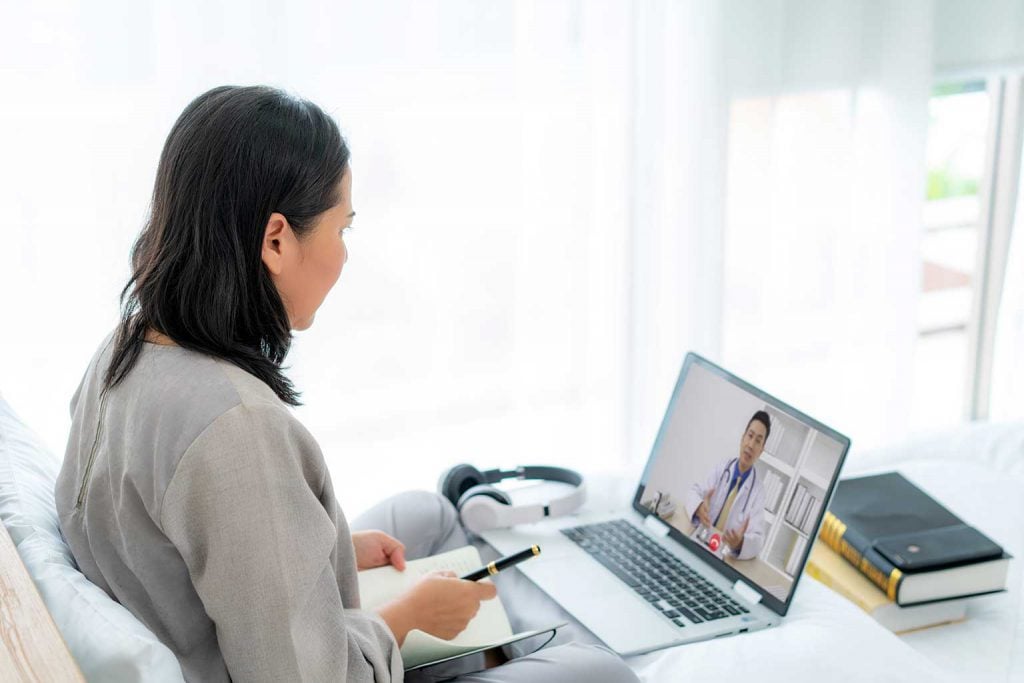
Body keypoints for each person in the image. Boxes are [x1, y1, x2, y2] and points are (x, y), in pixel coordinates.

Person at [54, 85, 638, 683]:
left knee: (428, 516)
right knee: (600, 669)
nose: (343, 256)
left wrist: (326, 552)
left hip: (214, 618)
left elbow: (178, 544)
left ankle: (495, 653)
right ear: (277, 240)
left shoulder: (125, 347)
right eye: (342, 230)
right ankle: (520, 655)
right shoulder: (237, 430)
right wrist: (403, 618)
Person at [682, 411, 770, 560]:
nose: (751, 445)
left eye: (758, 441)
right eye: (750, 436)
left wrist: (740, 543)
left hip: (722, 557)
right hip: (699, 542)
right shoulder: (722, 468)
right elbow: (694, 491)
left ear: (761, 451)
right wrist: (698, 508)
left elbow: (758, 540)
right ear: (742, 438)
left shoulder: (758, 491)